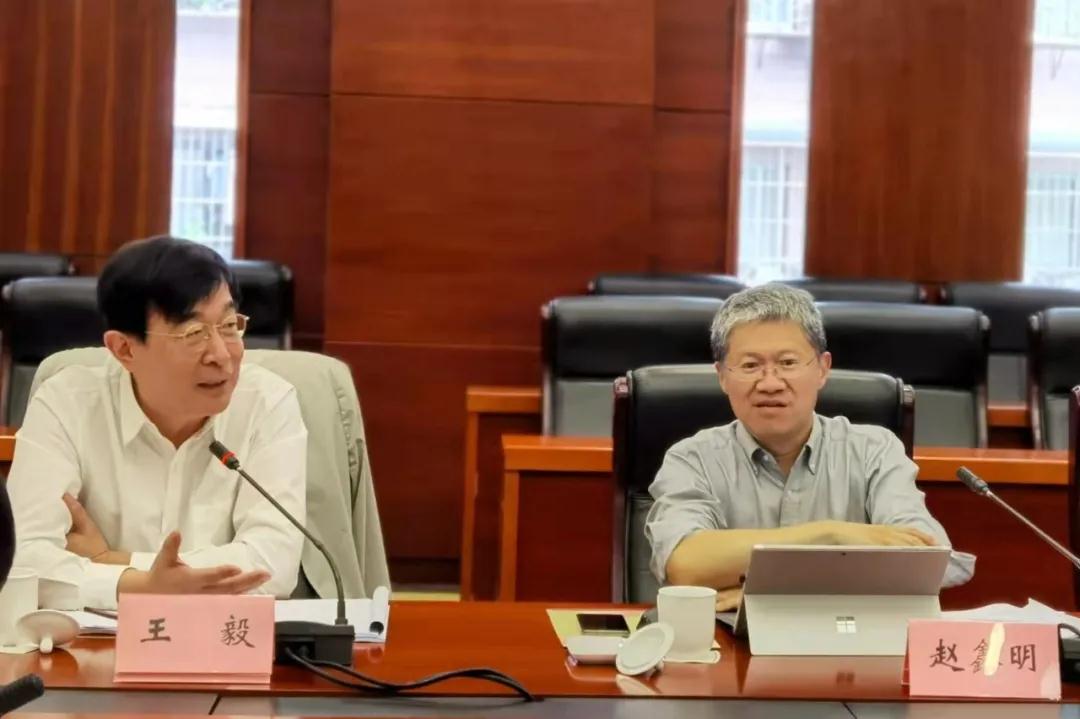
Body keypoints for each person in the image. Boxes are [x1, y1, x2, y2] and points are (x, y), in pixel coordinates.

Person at [8, 236, 307, 609]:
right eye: (193, 333)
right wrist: (145, 582)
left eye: (229, 325)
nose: (221, 355)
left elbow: (273, 563)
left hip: (220, 637)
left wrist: (114, 564)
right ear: (124, 349)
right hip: (93, 641)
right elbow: (21, 562)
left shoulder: (268, 403)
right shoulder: (67, 404)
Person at [645, 284, 974, 610]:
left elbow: (925, 559)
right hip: (725, 641)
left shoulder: (874, 451)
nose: (770, 383)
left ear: (822, 369)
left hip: (849, 639)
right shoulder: (692, 459)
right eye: (750, 366)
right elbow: (684, 563)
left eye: (788, 362)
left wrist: (775, 594)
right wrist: (830, 536)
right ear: (721, 376)